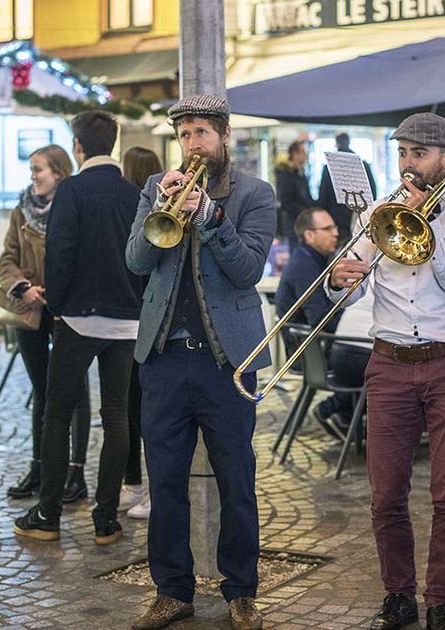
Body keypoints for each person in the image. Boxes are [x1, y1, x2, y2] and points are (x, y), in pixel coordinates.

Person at [327, 112, 445, 630]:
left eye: (418, 154)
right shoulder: (379, 212)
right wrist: (340, 277)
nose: (408, 165)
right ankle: (398, 596)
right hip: (390, 362)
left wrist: (429, 227)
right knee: (386, 493)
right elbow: (351, 282)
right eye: (401, 153)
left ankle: (440, 601)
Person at [126, 94, 274, 630]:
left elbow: (247, 271)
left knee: (237, 477)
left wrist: (209, 217)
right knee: (164, 480)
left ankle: (241, 591)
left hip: (226, 362)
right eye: (185, 134)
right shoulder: (154, 188)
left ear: (224, 136)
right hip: (163, 359)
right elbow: (137, 259)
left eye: (201, 134)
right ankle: (172, 590)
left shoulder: (255, 194)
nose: (193, 144)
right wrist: (161, 206)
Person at [12, 111, 141, 548]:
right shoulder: (132, 193)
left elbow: (60, 252)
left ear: (78, 146)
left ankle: (48, 514)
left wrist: (59, 306)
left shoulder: (73, 190)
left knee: (57, 414)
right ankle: (106, 519)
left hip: (78, 317)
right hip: (127, 319)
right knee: (118, 415)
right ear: (114, 143)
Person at [0, 145, 93, 502]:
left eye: (39, 169)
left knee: (75, 391)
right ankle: (39, 468)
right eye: (33, 170)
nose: (33, 176)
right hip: (30, 309)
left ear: (58, 172)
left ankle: (75, 472)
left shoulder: (75, 208)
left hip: (68, 311)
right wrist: (23, 287)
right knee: (41, 389)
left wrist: (61, 289)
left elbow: (85, 257)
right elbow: (7, 258)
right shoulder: (21, 211)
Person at [274, 207, 353, 439]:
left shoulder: (309, 259)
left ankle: (349, 418)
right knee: (376, 362)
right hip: (309, 353)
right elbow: (320, 319)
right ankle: (334, 411)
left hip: (313, 348)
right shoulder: (305, 266)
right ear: (309, 235)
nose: (336, 233)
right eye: (327, 229)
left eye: (335, 227)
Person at [119, 145, 163, 520]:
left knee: (139, 410)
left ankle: (139, 485)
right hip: (140, 317)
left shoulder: (154, 203)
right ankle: (137, 485)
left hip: (139, 320)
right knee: (137, 408)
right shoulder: (140, 206)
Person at [318, 132, 377, 243]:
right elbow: (372, 192)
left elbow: (323, 195)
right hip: (359, 215)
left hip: (335, 217)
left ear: (337, 144)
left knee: (337, 251)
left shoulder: (329, 166)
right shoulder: (363, 164)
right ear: (349, 143)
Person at [274, 139, 314, 244]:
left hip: (304, 222)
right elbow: (286, 201)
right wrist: (304, 211)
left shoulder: (300, 172)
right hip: (294, 225)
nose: (306, 155)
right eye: (303, 152)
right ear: (295, 154)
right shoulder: (286, 174)